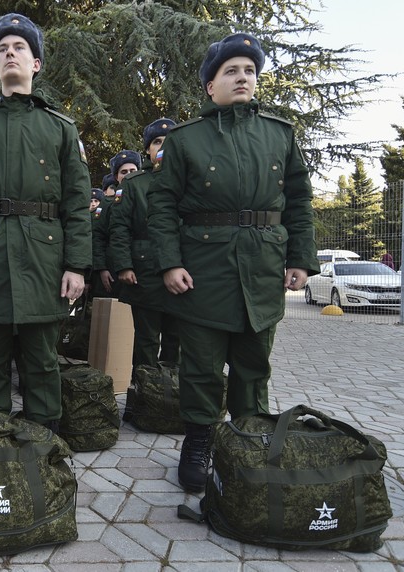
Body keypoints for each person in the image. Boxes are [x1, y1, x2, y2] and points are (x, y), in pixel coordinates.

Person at [147, 32, 320, 492]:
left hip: (262, 266)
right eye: (231, 71)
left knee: (252, 364)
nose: (242, 77)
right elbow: (162, 206)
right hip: (204, 266)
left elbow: (299, 201)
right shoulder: (185, 140)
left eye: (249, 71)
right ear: (211, 85)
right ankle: (200, 440)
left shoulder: (279, 134)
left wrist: (301, 258)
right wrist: (169, 263)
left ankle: (248, 440)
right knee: (201, 365)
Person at [0, 13, 92, 429]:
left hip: (43, 259)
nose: (10, 53)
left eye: (19, 47)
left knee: (42, 360)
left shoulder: (61, 129)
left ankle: (45, 443)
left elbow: (77, 205)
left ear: (36, 63)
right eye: (2, 50)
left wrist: (76, 265)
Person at [109, 119, 180, 380]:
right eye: (157, 142)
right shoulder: (134, 183)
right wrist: (124, 265)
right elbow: (119, 229)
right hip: (144, 272)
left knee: (176, 340)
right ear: (148, 150)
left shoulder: (189, 179)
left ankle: (170, 398)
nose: (163, 146)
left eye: (169, 141)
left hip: (182, 273)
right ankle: (143, 395)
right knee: (147, 340)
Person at [92, 150, 141, 298]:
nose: (128, 174)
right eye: (123, 172)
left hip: (142, 265)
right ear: (116, 177)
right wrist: (101, 269)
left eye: (132, 170)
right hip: (113, 270)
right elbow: (98, 237)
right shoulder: (107, 204)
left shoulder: (148, 196)